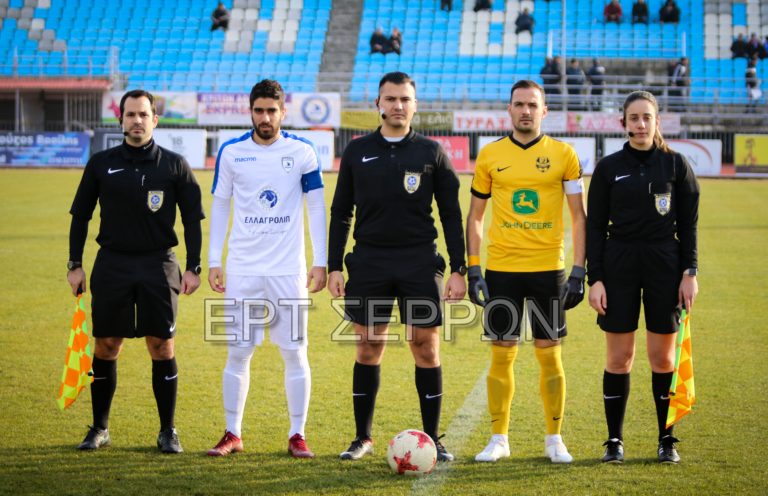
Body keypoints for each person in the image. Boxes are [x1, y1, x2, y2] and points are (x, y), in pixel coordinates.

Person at [328, 71, 467, 463]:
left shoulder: (431, 152)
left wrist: (460, 268)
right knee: (369, 345)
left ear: (415, 105)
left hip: (419, 262)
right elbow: (341, 211)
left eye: (405, 99)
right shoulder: (357, 151)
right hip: (370, 261)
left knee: (425, 346)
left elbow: (452, 215)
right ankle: (362, 438)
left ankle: (434, 440)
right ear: (378, 104)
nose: (398, 106)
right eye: (390, 99)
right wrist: (334, 265)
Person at [67, 89, 205, 453]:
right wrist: (74, 264)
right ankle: (99, 427)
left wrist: (193, 267)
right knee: (107, 344)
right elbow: (80, 215)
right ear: (121, 120)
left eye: (144, 115)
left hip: (159, 264)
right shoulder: (101, 163)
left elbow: (192, 219)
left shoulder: (175, 165)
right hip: (112, 263)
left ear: (155, 119)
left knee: (161, 345)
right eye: (130, 115)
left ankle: (167, 430)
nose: (137, 121)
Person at [466, 80, 587, 464]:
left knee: (550, 356)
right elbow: (475, 216)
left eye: (532, 105)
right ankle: (499, 438)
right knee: (502, 355)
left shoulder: (564, 154)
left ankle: (554, 438)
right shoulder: (490, 155)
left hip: (548, 270)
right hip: (502, 270)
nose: (525, 111)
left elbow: (579, 217)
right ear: (509, 109)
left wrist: (579, 269)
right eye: (519, 104)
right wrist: (473, 268)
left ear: (544, 110)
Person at [206, 79, 327, 458]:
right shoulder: (231, 152)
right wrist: (214, 260)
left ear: (283, 111)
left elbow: (316, 207)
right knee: (239, 351)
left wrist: (320, 261)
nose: (265, 117)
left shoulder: (303, 151)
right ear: (250, 111)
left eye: (272, 111)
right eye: (258, 110)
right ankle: (232, 432)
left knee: (294, 352)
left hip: (288, 272)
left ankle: (297, 434)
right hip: (243, 269)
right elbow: (221, 207)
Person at [586, 90, 700, 464]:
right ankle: (614, 440)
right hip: (618, 263)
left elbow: (689, 226)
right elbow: (595, 228)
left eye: (646, 117)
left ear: (657, 121)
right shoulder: (608, 167)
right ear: (623, 122)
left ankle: (666, 440)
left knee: (661, 358)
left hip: (664, 265)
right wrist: (595, 278)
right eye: (633, 118)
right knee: (619, 358)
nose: (639, 124)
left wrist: (690, 272)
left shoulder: (675, 165)